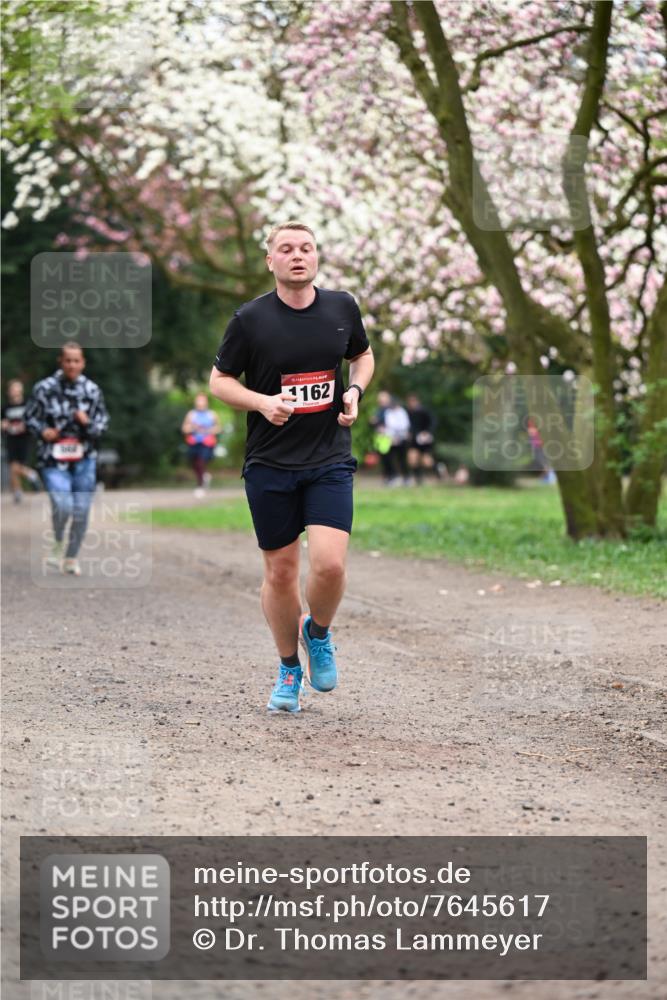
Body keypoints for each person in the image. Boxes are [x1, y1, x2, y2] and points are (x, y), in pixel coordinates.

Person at [209, 220, 374, 713]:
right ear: (271, 260)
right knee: (281, 574)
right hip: (270, 463)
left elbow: (362, 358)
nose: (297, 255)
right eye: (286, 248)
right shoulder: (251, 319)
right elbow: (220, 381)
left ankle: (316, 632)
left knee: (329, 564)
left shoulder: (342, 307)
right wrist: (261, 402)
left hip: (328, 458)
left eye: (306, 247)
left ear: (317, 256)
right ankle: (288, 667)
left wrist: (355, 391)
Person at [24, 342, 109, 576]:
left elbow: (103, 425)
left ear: (83, 363)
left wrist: (87, 423)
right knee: (63, 505)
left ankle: (71, 557)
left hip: (85, 458)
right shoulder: (44, 388)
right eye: (67, 360)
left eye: (76, 360)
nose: (72, 364)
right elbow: (29, 417)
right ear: (60, 362)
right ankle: (58, 541)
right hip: (53, 459)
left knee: (81, 510)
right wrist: (43, 431)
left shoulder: (92, 390)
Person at [1, 379, 41, 502]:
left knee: (19, 466)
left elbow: (34, 420)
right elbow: (2, 422)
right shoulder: (5, 408)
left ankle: (31, 475)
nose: (15, 391)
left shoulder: (27, 405)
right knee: (13, 466)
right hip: (11, 439)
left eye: (17, 388)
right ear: (9, 391)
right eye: (12, 389)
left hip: (24, 439)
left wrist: (26, 425)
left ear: (21, 390)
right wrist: (4, 425)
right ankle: (18, 491)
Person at [181, 392, 221, 498]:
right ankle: (204, 476)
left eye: (202, 400)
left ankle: (200, 486)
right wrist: (193, 428)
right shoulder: (191, 414)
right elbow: (184, 429)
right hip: (194, 442)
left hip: (207, 442)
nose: (200, 403)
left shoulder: (212, 414)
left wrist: (208, 430)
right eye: (198, 401)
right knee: (195, 464)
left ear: (206, 402)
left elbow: (218, 428)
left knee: (201, 462)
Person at [406, 393, 443, 484]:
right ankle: (418, 479)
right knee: (412, 459)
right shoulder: (408, 413)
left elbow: (433, 422)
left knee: (427, 462)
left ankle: (438, 468)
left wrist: (427, 432)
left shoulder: (424, 411)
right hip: (414, 440)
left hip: (425, 441)